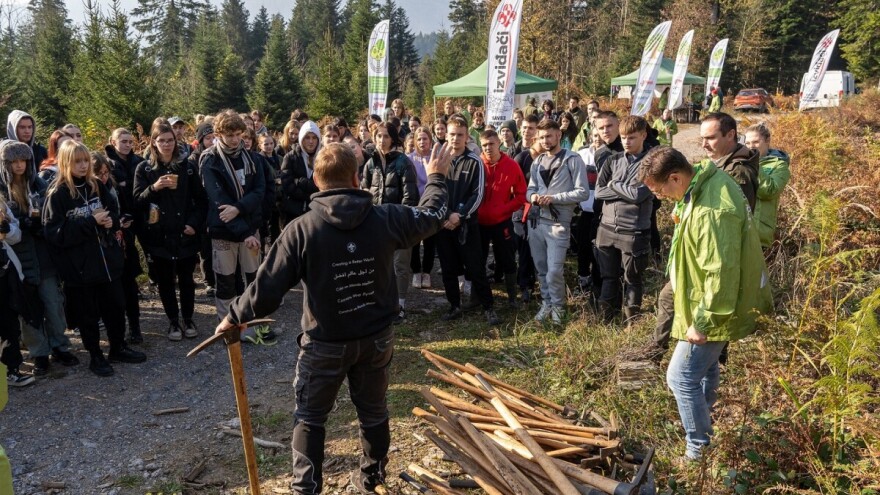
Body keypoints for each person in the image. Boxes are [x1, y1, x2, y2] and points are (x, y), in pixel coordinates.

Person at [215, 142, 452, 495]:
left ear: (315, 179)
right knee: (373, 411)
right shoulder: (385, 218)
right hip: (374, 340)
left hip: (325, 344)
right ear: (358, 178)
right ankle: (372, 478)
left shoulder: (302, 229)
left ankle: (308, 489)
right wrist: (436, 177)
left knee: (311, 418)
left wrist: (234, 315)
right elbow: (433, 215)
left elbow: (266, 289)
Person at [638, 146, 771, 461]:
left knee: (680, 376)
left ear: (675, 176)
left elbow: (721, 270)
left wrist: (704, 322)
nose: (660, 198)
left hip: (715, 307)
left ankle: (698, 449)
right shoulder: (703, 184)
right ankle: (703, 415)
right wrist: (683, 208)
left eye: (660, 191)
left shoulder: (713, 210)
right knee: (706, 368)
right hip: (706, 299)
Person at [43, 140, 147, 376]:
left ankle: (118, 347)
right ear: (66, 163)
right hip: (79, 270)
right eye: (77, 161)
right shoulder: (57, 194)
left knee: (116, 307)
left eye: (85, 161)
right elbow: (55, 234)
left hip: (108, 263)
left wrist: (111, 221)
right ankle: (96, 356)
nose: (82, 165)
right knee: (88, 315)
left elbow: (113, 211)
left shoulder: (95, 186)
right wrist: (91, 222)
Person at [0, 140, 77, 376]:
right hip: (18, 260)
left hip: (44, 257)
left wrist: (40, 225)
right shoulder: (2, 191)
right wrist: (19, 225)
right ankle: (39, 353)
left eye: (23, 160)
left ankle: (59, 346)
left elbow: (54, 215)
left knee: (53, 304)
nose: (19, 165)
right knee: (29, 310)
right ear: (6, 164)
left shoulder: (39, 183)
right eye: (13, 161)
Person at [134, 123, 205, 341]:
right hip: (159, 236)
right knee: (165, 281)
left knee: (186, 280)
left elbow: (201, 201)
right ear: (153, 143)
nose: (166, 144)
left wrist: (193, 224)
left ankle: (188, 318)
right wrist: (154, 187)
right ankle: (173, 321)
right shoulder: (144, 169)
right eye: (162, 140)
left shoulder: (187, 167)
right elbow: (137, 201)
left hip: (184, 233)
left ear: (176, 142)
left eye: (170, 140)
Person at [199, 110, 266, 322]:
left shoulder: (252, 158)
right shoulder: (209, 160)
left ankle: (253, 320)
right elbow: (219, 199)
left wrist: (238, 209)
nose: (236, 140)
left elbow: (259, 190)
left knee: (253, 278)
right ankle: (228, 324)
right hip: (224, 231)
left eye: (239, 134)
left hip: (249, 228)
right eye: (230, 135)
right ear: (219, 134)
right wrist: (243, 229)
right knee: (226, 281)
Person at [436, 115, 500, 325]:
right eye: (452, 134)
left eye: (460, 135)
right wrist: (445, 215)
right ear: (446, 134)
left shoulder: (475, 162)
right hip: (443, 224)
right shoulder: (439, 159)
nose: (455, 138)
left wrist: (459, 215)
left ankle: (489, 307)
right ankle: (454, 305)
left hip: (466, 225)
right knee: (448, 268)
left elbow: (478, 194)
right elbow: (434, 190)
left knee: (475, 267)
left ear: (466, 137)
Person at [526, 119, 589, 323]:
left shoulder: (572, 159)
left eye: (548, 136)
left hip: (558, 223)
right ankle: (547, 303)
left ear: (558, 135)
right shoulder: (537, 161)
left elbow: (583, 192)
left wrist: (555, 199)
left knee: (554, 270)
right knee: (542, 269)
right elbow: (530, 190)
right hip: (536, 222)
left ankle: (559, 307)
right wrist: (533, 197)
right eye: (541, 137)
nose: (545, 140)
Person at [593, 116, 654, 323]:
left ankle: (631, 323)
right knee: (609, 277)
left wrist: (613, 185)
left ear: (644, 135)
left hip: (634, 231)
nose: (626, 142)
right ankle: (606, 320)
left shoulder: (652, 164)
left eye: (632, 138)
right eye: (624, 137)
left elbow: (639, 195)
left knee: (632, 279)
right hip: (607, 228)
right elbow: (598, 193)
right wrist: (624, 189)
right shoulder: (613, 159)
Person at [360, 123, 419, 322]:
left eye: (385, 136)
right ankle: (382, 302)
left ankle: (400, 304)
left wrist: (401, 221)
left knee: (400, 265)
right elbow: (365, 188)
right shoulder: (371, 163)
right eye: (378, 136)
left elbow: (410, 196)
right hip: (376, 223)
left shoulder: (404, 162)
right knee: (378, 265)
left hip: (398, 223)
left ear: (393, 139)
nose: (381, 140)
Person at [477, 130, 527, 308]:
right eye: (484, 145)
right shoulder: (477, 165)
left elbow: (521, 195)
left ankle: (512, 297)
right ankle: (476, 297)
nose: (488, 148)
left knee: (507, 258)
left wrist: (504, 210)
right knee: (477, 259)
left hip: (502, 221)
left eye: (491, 144)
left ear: (499, 142)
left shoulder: (512, 165)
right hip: (479, 222)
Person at [105, 128, 145, 343]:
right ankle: (122, 329)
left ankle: (135, 325)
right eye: (123, 141)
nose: (127, 144)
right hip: (117, 225)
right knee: (121, 279)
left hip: (138, 217)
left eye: (130, 141)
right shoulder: (106, 165)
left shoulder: (139, 161)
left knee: (130, 275)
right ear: (113, 141)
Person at [0, 196, 35, 386]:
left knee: (9, 323)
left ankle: (11, 370)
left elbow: (16, 235)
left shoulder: (1, 202)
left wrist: (7, 229)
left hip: (4, 273)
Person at [698, 113, 759, 211]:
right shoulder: (721, 162)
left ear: (730, 135)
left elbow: (735, 217)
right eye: (703, 138)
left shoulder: (737, 171)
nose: (704, 145)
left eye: (710, 138)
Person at [744, 123, 790, 249]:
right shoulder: (741, 162)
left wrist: (754, 165)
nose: (751, 147)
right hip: (739, 229)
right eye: (747, 143)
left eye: (756, 142)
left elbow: (770, 191)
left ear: (767, 141)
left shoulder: (779, 166)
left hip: (760, 232)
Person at [407, 127, 436, 289]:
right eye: (419, 139)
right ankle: (416, 272)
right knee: (415, 241)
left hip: (431, 205)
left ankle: (427, 272)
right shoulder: (409, 159)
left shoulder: (435, 157)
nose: (422, 142)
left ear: (430, 140)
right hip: (415, 206)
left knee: (430, 241)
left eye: (425, 138)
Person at [575, 128, 603, 296]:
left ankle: (597, 279)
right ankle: (583, 277)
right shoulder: (582, 154)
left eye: (600, 136)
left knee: (598, 248)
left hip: (602, 211)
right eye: (594, 135)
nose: (597, 138)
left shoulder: (611, 155)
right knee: (583, 246)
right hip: (584, 209)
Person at [190, 122, 217, 295]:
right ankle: (209, 281)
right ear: (201, 140)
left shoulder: (218, 155)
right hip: (202, 207)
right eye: (208, 138)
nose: (212, 141)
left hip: (217, 206)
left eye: (214, 138)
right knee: (205, 248)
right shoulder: (193, 160)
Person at [279, 121, 321, 225]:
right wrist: (308, 195)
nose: (311, 141)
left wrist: (300, 182)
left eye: (314, 137)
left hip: (317, 212)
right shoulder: (290, 157)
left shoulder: (323, 158)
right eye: (307, 137)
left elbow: (324, 184)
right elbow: (287, 185)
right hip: (294, 213)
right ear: (301, 138)